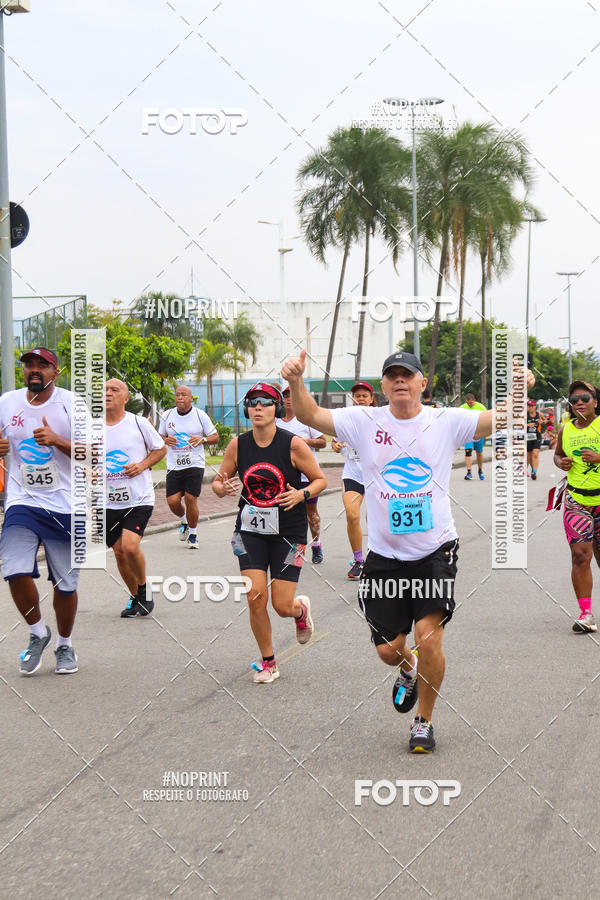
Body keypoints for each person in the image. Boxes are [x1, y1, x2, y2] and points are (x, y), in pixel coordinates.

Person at [282, 349, 534, 753]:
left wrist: (520, 389)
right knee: (388, 650)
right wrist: (295, 382)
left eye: (407, 374)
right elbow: (311, 415)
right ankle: (407, 668)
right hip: (384, 558)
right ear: (383, 386)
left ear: (422, 383)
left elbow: (500, 417)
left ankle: (424, 721)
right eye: (392, 375)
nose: (400, 380)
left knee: (429, 638)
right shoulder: (364, 421)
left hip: (435, 551)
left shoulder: (444, 421)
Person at [212, 382, 327, 683]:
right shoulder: (238, 445)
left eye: (265, 402)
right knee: (255, 597)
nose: (258, 407)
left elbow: (319, 480)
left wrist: (301, 495)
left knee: (280, 605)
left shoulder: (294, 444)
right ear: (247, 409)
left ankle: (299, 611)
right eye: (252, 402)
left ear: (277, 408)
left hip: (289, 532)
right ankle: (269, 662)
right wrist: (221, 488)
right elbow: (218, 481)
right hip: (249, 530)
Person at [0, 347, 81, 675]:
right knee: (14, 569)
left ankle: (64, 643)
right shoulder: (7, 402)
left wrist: (58, 440)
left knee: (66, 586)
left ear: (55, 372)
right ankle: (37, 632)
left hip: (66, 506)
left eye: (42, 365)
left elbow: (94, 453)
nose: (34, 370)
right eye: (29, 365)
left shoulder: (72, 404)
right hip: (22, 500)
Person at [104, 379, 166, 617]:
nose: (108, 393)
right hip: (106, 501)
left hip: (138, 498)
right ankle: (138, 597)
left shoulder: (139, 423)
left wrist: (142, 465)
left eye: (114, 390)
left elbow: (160, 449)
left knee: (129, 547)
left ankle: (142, 587)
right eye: (105, 390)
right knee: (119, 552)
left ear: (126, 398)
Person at [553, 381, 600, 633]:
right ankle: (586, 614)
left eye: (585, 397)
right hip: (577, 500)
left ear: (595, 401)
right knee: (580, 555)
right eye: (574, 399)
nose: (579, 402)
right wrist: (561, 462)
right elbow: (558, 454)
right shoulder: (566, 430)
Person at [158, 385, 218, 548]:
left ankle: (193, 534)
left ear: (191, 398)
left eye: (183, 395)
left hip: (195, 463)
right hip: (174, 464)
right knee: (172, 501)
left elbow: (215, 436)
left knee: (191, 499)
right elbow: (160, 435)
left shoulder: (200, 415)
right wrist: (165, 439)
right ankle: (184, 521)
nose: (179, 397)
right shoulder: (167, 415)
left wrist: (203, 440)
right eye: (177, 395)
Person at [277, 385, 327, 564]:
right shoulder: (276, 421)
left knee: (311, 514)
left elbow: (322, 442)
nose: (289, 399)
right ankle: (294, 552)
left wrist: (305, 441)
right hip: (285, 477)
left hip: (307, 477)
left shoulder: (305, 419)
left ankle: (316, 544)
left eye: (293, 396)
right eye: (286, 396)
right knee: (289, 516)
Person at [331, 381, 376, 579]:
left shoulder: (380, 418)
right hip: (353, 474)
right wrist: (336, 445)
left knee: (375, 520)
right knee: (352, 515)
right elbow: (337, 443)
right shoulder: (346, 419)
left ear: (371, 399)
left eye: (364, 395)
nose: (360, 399)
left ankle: (378, 557)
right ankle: (358, 561)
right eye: (357, 396)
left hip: (376, 475)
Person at [460, 393, 487, 480]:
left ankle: (480, 470)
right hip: (468, 433)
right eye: (468, 403)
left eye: (471, 403)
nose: (469, 404)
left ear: (474, 400)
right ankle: (469, 472)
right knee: (468, 451)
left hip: (479, 432)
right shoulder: (462, 408)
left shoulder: (481, 407)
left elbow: (487, 420)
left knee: (479, 452)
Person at [526, 399, 546, 479]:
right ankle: (528, 470)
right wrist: (527, 425)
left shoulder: (539, 414)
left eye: (532, 406)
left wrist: (542, 421)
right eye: (529, 406)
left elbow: (545, 420)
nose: (530, 407)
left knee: (535, 453)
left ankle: (534, 471)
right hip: (527, 437)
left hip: (537, 436)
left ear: (535, 406)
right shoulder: (525, 415)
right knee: (528, 455)